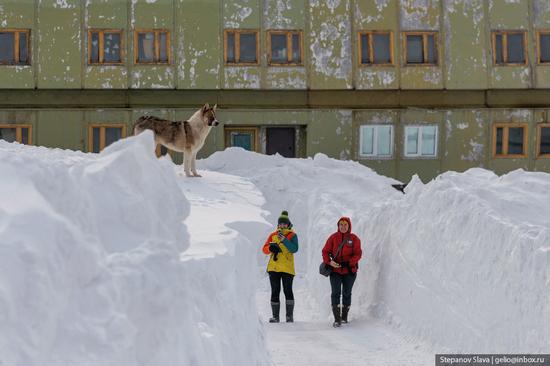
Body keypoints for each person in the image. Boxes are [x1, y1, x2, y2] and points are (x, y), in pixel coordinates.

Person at [321, 217, 362, 327]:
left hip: (349, 271)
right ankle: (337, 319)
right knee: (335, 292)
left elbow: (358, 253)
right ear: (338, 226)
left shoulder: (354, 239)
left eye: (345, 225)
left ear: (349, 226)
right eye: (341, 225)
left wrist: (349, 263)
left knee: (347, 293)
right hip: (335, 271)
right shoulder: (333, 238)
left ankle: (344, 317)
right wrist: (329, 262)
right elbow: (325, 251)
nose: (343, 227)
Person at [262, 210, 299, 323]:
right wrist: (270, 248)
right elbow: (264, 249)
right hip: (274, 267)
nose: (282, 225)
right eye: (281, 223)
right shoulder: (272, 235)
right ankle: (275, 316)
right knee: (275, 290)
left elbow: (294, 249)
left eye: (284, 223)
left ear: (288, 224)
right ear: (278, 224)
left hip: (287, 268)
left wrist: (285, 240)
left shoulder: (292, 235)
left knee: (288, 290)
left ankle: (289, 316)